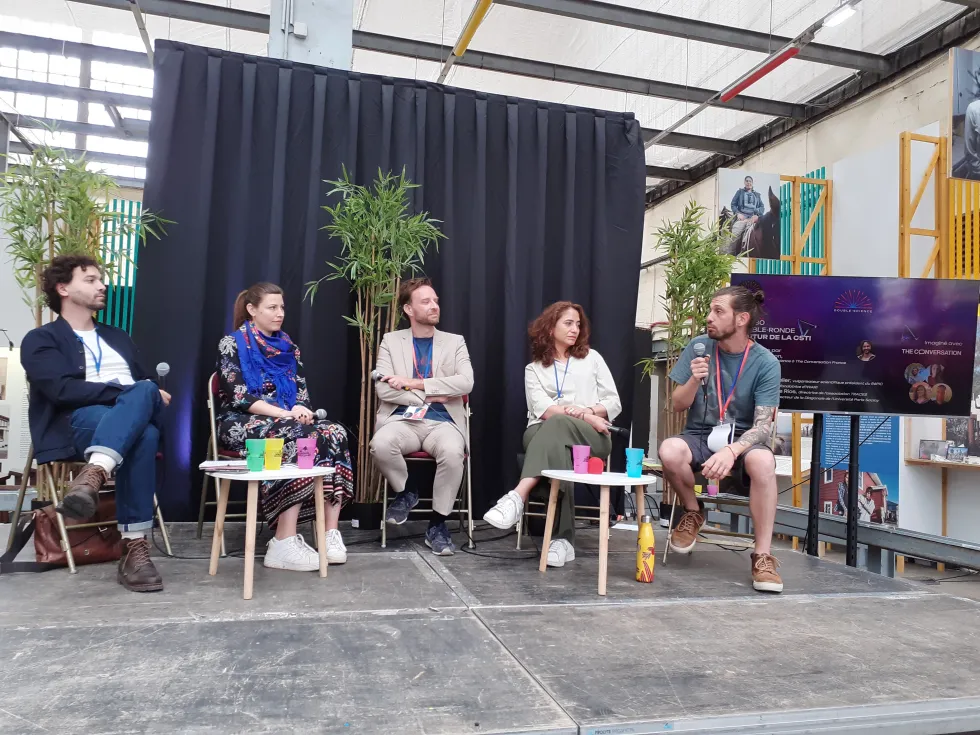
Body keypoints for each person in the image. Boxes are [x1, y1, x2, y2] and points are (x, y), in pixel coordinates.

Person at [21, 255, 168, 593]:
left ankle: (94, 472)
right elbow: (61, 390)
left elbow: (144, 383)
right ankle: (134, 547)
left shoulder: (118, 337)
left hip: (122, 420)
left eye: (100, 279)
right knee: (143, 435)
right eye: (89, 280)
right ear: (63, 289)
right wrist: (125, 391)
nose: (102, 285)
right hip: (77, 423)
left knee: (145, 396)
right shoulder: (42, 339)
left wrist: (149, 393)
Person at [216, 283, 354, 571]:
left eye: (282, 307)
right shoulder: (232, 343)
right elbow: (240, 397)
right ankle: (283, 540)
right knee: (294, 434)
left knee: (333, 432)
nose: (280, 313)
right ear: (252, 310)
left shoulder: (290, 348)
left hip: (284, 417)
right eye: (272, 307)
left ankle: (329, 532)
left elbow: (301, 393)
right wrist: (285, 414)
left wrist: (301, 410)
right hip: (241, 422)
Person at [658, 286, 783, 593]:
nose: (708, 317)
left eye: (718, 311)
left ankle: (763, 556)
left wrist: (731, 450)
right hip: (701, 435)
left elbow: (763, 427)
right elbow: (676, 404)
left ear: (741, 319)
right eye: (710, 310)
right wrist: (693, 379)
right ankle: (693, 510)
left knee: (764, 461)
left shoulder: (765, 362)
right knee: (669, 450)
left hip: (744, 440)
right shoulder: (699, 347)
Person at [483, 302, 621, 568]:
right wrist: (584, 415)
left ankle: (517, 496)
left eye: (578, 324)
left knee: (557, 425)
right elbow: (542, 410)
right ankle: (562, 540)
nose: (575, 329)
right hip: (541, 430)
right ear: (550, 327)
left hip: (591, 436)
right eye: (568, 323)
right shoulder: (533, 369)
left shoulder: (592, 359)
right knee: (557, 442)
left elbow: (614, 403)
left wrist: (588, 414)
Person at [371, 278, 473, 556]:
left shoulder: (455, 342)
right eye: (426, 301)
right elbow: (382, 387)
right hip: (404, 420)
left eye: (435, 300)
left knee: (453, 452)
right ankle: (407, 490)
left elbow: (466, 383)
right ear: (409, 309)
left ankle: (437, 526)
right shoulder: (391, 341)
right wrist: (434, 393)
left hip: (443, 422)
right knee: (380, 444)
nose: (434, 306)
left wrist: (414, 384)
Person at [730, 175, 765, 244]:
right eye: (747, 181)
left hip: (754, 218)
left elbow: (762, 207)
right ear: (744, 183)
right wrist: (738, 213)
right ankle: (732, 252)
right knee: (735, 232)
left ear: (752, 183)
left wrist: (757, 214)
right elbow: (733, 204)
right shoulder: (739, 192)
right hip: (742, 218)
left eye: (750, 181)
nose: (748, 182)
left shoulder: (757, 195)